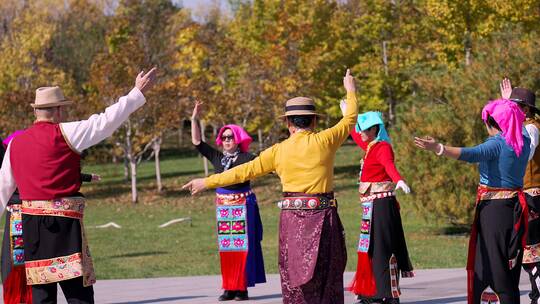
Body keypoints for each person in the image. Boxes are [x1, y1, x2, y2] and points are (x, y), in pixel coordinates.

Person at [183, 69, 358, 304]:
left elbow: (242, 171)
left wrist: (206, 181)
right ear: (314, 121)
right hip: (323, 216)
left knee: (294, 274)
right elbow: (350, 119)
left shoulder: (278, 151)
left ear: (288, 123)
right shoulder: (325, 140)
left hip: (292, 219)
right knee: (326, 272)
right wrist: (351, 90)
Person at [0, 68, 157, 303]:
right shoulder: (67, 132)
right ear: (59, 110)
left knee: (42, 295)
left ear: (36, 111)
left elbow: (2, 190)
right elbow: (105, 121)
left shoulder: (15, 144)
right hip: (65, 227)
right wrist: (135, 93)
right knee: (78, 294)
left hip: (32, 228)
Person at [414, 98, 530, 304]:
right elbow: (512, 118)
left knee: (493, 267)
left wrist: (438, 148)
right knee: (507, 264)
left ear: (492, 123)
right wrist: (507, 100)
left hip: (494, 213)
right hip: (513, 210)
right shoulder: (523, 140)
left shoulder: (496, 144)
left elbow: (470, 154)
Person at [0, 131, 101, 304]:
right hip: (23, 218)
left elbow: (56, 172)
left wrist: (85, 177)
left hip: (32, 219)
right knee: (24, 271)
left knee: (41, 278)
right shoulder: (14, 152)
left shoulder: (24, 151)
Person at [190, 101, 266, 301]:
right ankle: (229, 288)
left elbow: (268, 165)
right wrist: (194, 118)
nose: (226, 140)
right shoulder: (217, 157)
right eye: (223, 137)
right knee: (227, 248)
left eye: (229, 137)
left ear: (238, 138)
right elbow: (197, 141)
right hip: (223, 208)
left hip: (243, 205)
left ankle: (242, 289)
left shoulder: (248, 157)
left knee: (242, 248)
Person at [347, 111, 413, 304]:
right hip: (370, 207)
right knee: (369, 248)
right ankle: (371, 290)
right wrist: (348, 117)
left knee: (383, 248)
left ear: (374, 129)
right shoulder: (370, 147)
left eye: (363, 129)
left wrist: (398, 180)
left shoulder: (383, 147)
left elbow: (388, 165)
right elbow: (355, 137)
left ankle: (387, 293)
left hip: (383, 205)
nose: (359, 133)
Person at [501, 78, 540, 304]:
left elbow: (522, 149)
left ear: (525, 110)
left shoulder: (532, 129)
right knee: (523, 249)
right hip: (523, 193)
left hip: (532, 195)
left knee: (531, 248)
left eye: (514, 108)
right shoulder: (524, 126)